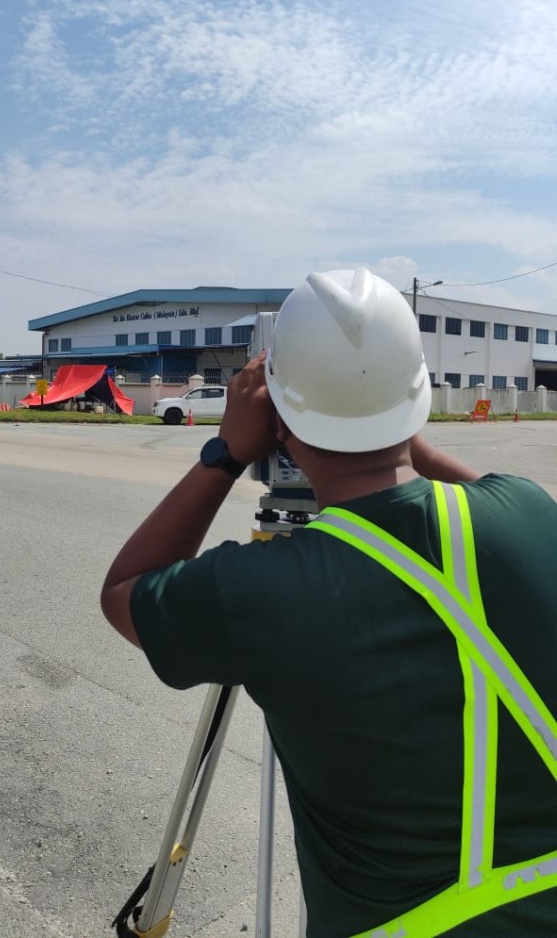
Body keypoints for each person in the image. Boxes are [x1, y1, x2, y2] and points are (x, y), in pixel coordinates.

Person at [101, 267, 557, 938]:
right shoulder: (526, 512)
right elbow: (484, 490)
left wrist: (223, 455)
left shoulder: (257, 590)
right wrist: (402, 434)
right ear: (420, 396)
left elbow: (123, 594)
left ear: (280, 413)